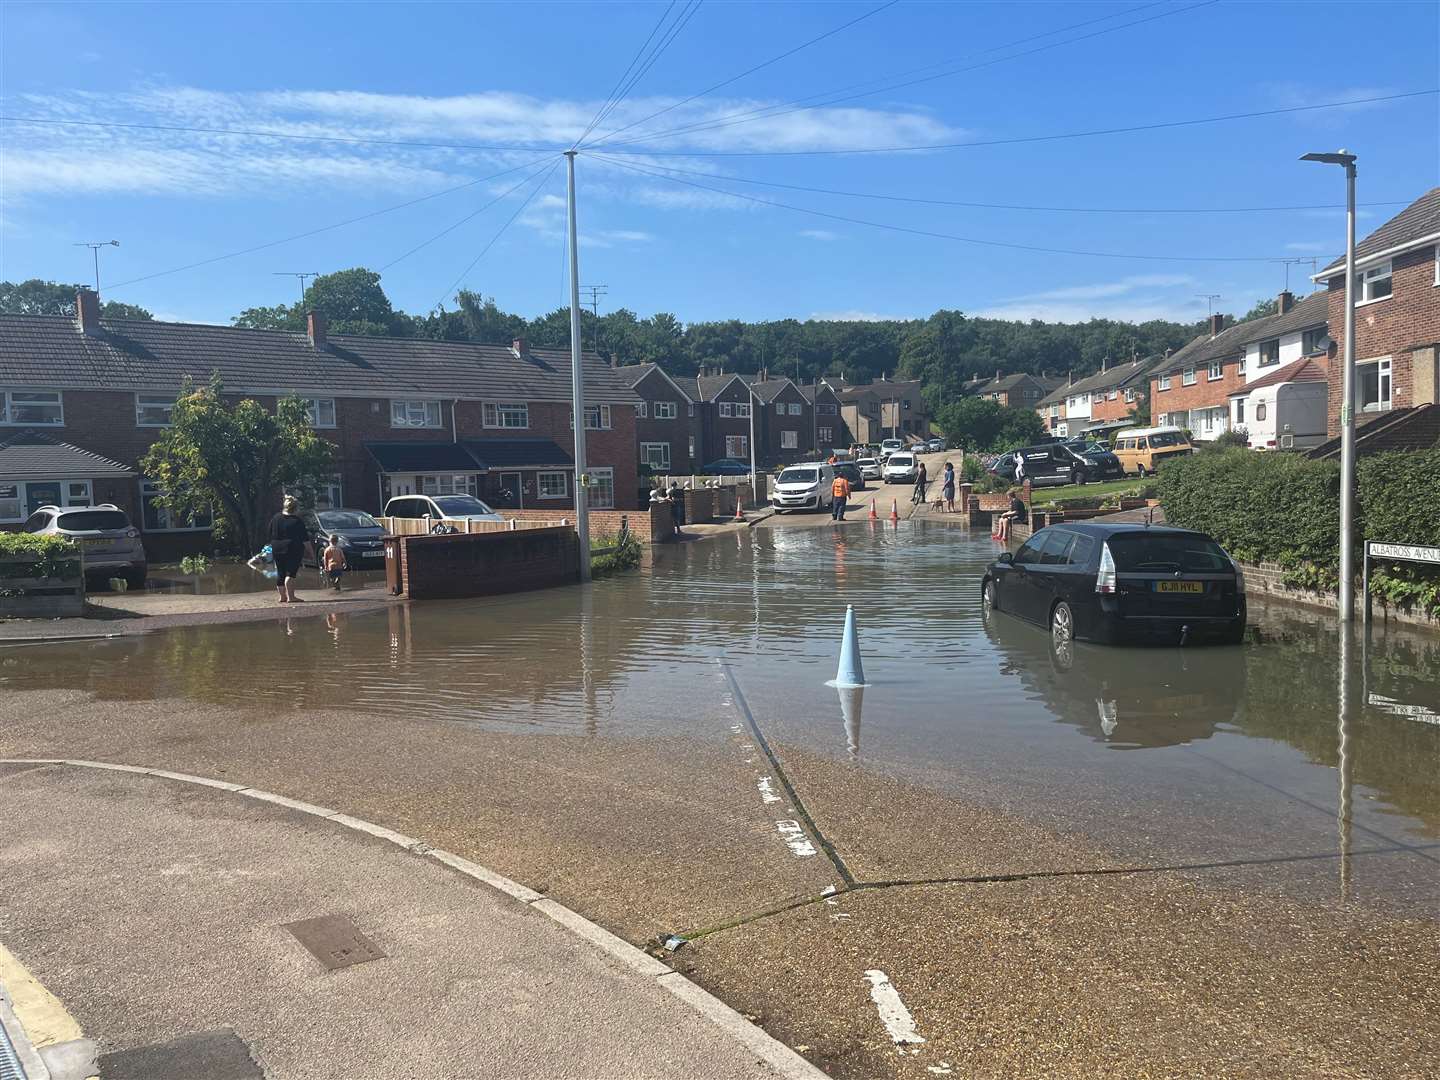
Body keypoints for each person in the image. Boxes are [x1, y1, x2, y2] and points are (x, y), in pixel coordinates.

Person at [266, 495, 311, 603]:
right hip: (293, 548)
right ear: (295, 508)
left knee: (280, 572)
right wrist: (311, 553)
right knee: (291, 573)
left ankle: (282, 597)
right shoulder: (297, 521)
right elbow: (305, 540)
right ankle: (291, 597)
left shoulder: (276, 518)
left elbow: (269, 532)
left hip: (277, 547)